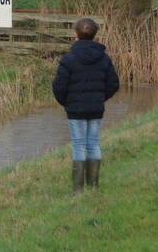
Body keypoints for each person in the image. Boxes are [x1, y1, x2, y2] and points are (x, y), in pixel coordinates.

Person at [52, 17, 119, 193]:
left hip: (75, 109)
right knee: (94, 144)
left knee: (79, 145)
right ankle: (94, 186)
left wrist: (67, 102)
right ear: (95, 34)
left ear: (75, 35)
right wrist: (100, 98)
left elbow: (59, 87)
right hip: (96, 108)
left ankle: (77, 189)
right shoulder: (104, 58)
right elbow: (114, 84)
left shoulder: (69, 59)